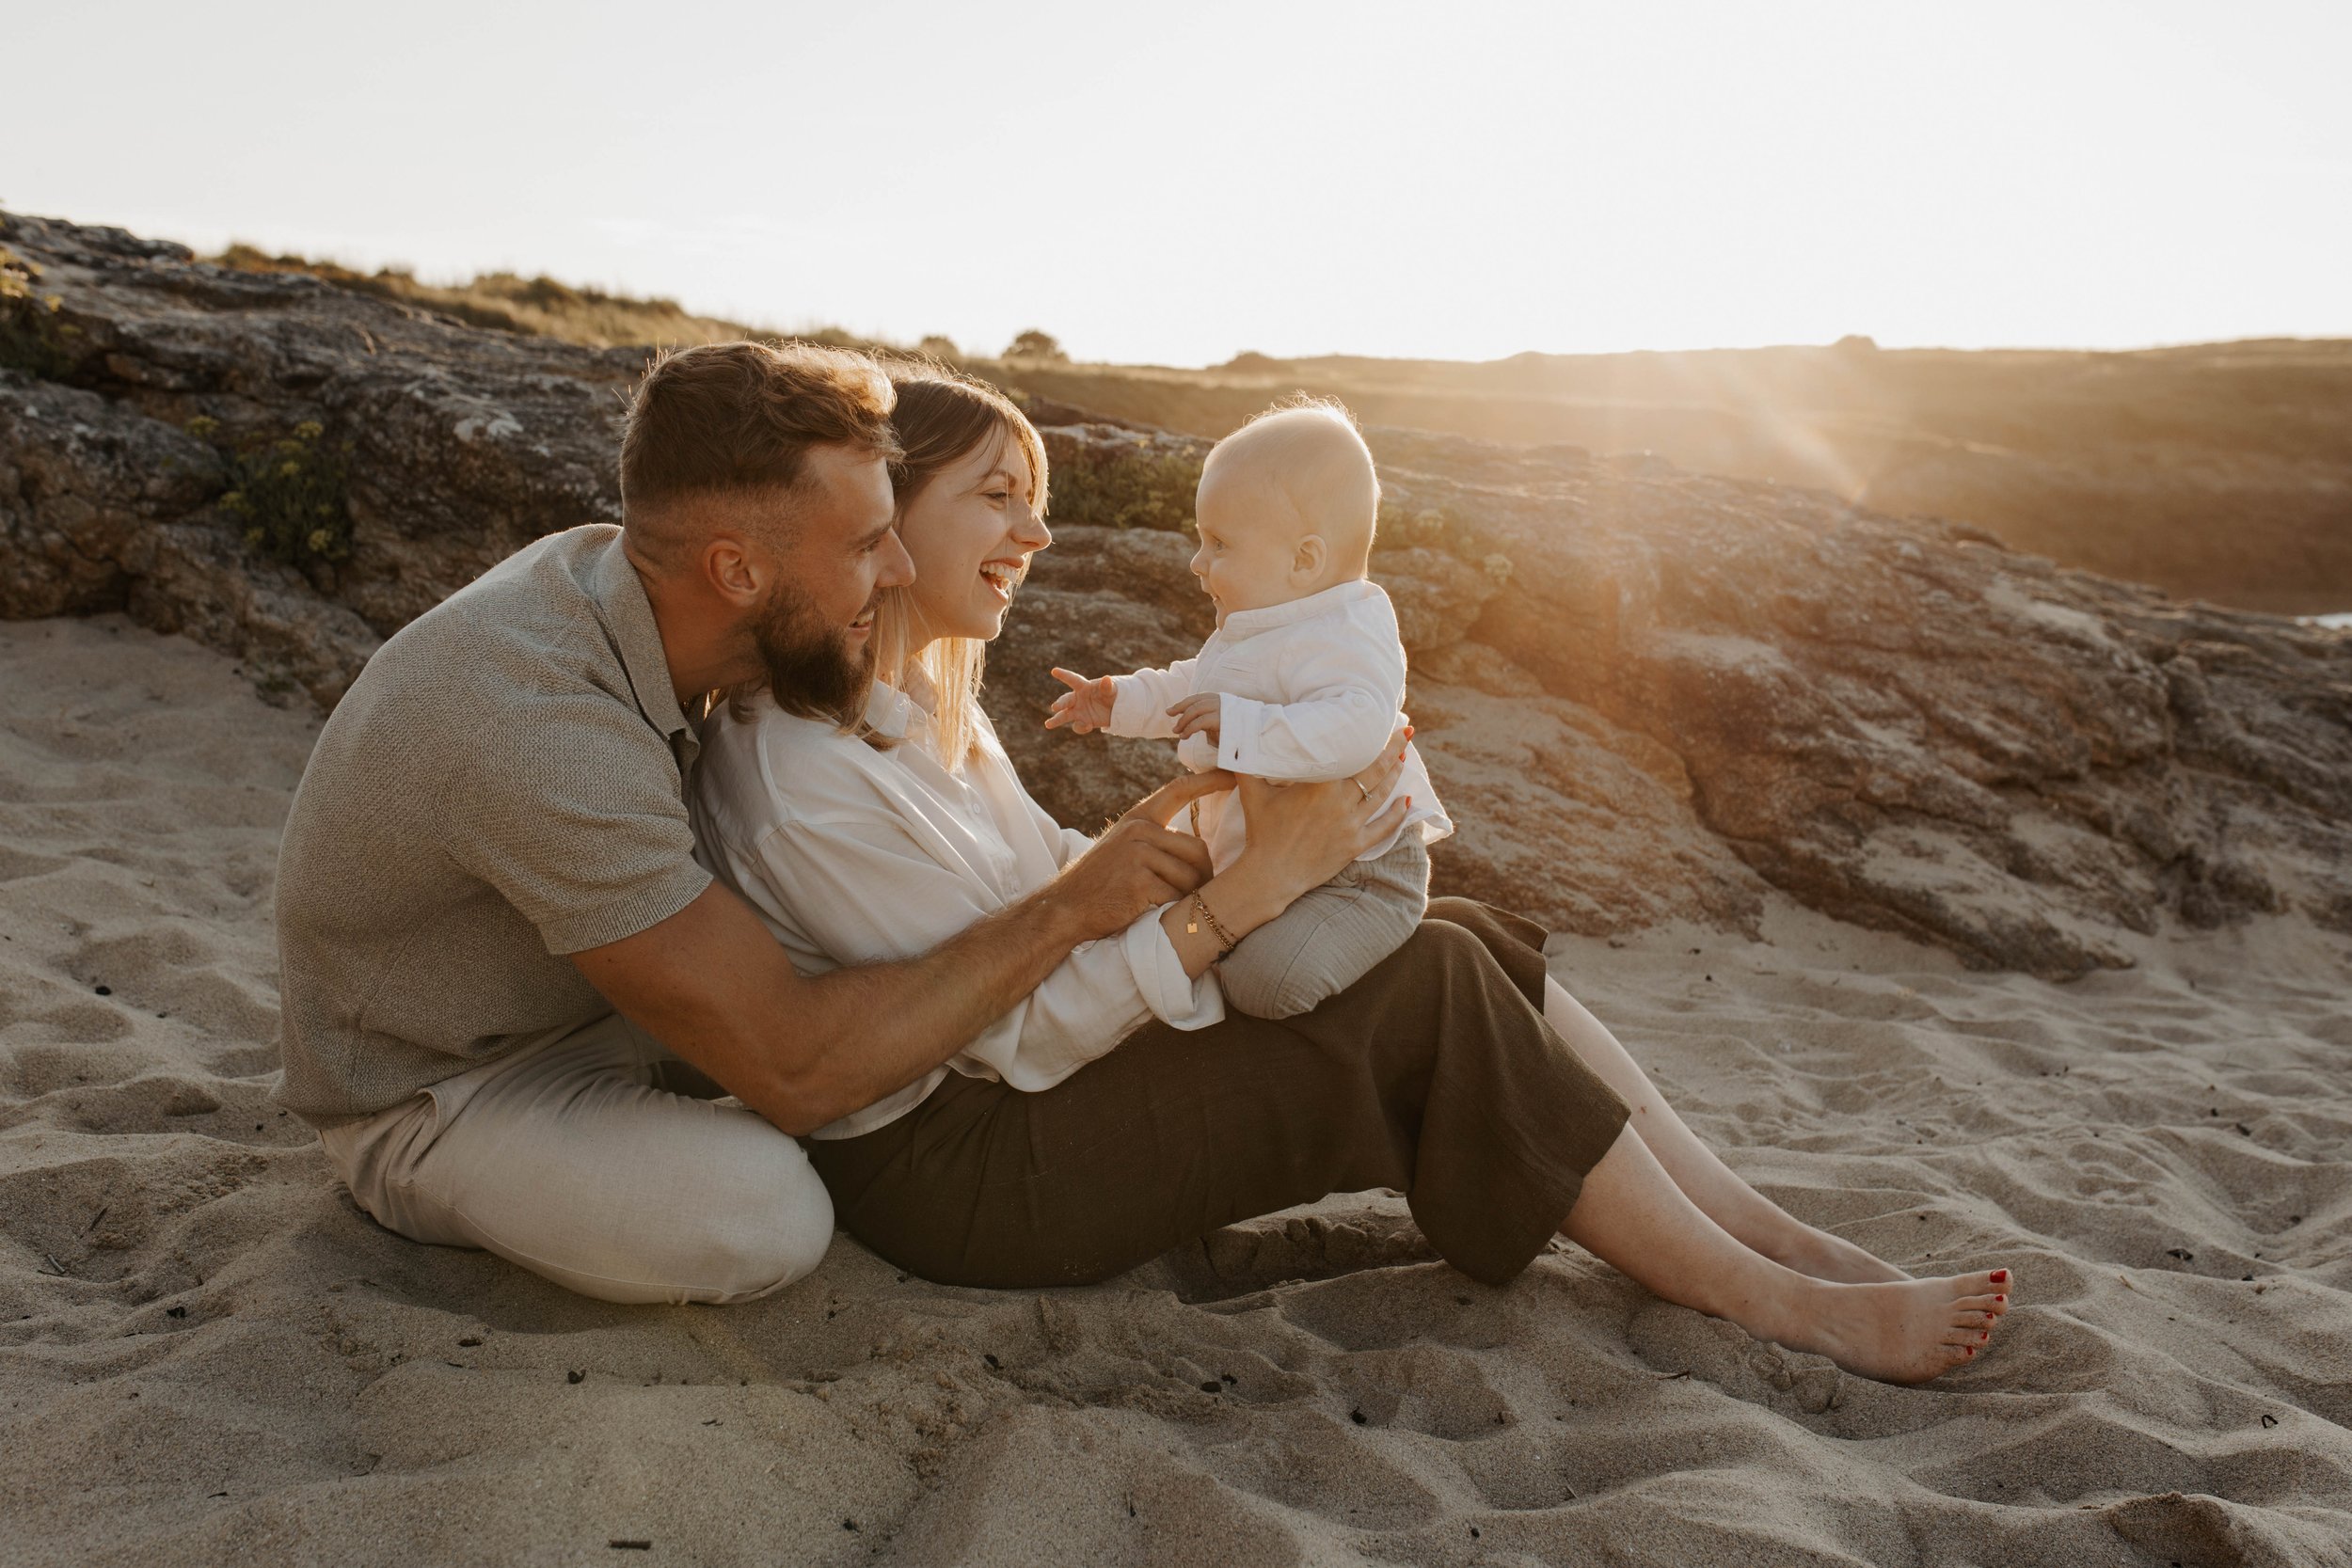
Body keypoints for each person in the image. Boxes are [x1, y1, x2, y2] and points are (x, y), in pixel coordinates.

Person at [691, 367, 2014, 1383]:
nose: (1037, 530)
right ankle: (1769, 1296)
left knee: (1461, 928)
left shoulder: (925, 712)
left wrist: (1218, 832)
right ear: (884, 516)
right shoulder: (804, 775)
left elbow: (1052, 909)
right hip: (973, 1173)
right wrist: (1244, 901)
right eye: (996, 494)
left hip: (1027, 1087)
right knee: (1425, 981)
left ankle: (1759, 1230)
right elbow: (1023, 1033)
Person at [270, 341, 1245, 1306]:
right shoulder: (542, 732)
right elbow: (795, 1066)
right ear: (735, 569)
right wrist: (1068, 909)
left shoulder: (641, 591)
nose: (899, 566)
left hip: (605, 991)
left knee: (890, 1006)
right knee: (764, 1213)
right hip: (450, 1083)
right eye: (867, 544)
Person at [1044, 399, 1449, 1019]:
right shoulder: (1260, 626)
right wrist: (1119, 701)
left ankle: (1404, 1000)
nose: (1196, 562)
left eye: (1218, 544)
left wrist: (1245, 727)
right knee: (1187, 935)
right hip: (1280, 856)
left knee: (1263, 985)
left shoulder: (1348, 629)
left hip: (1360, 873)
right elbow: (1195, 688)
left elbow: (1358, 726)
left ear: (1304, 560)